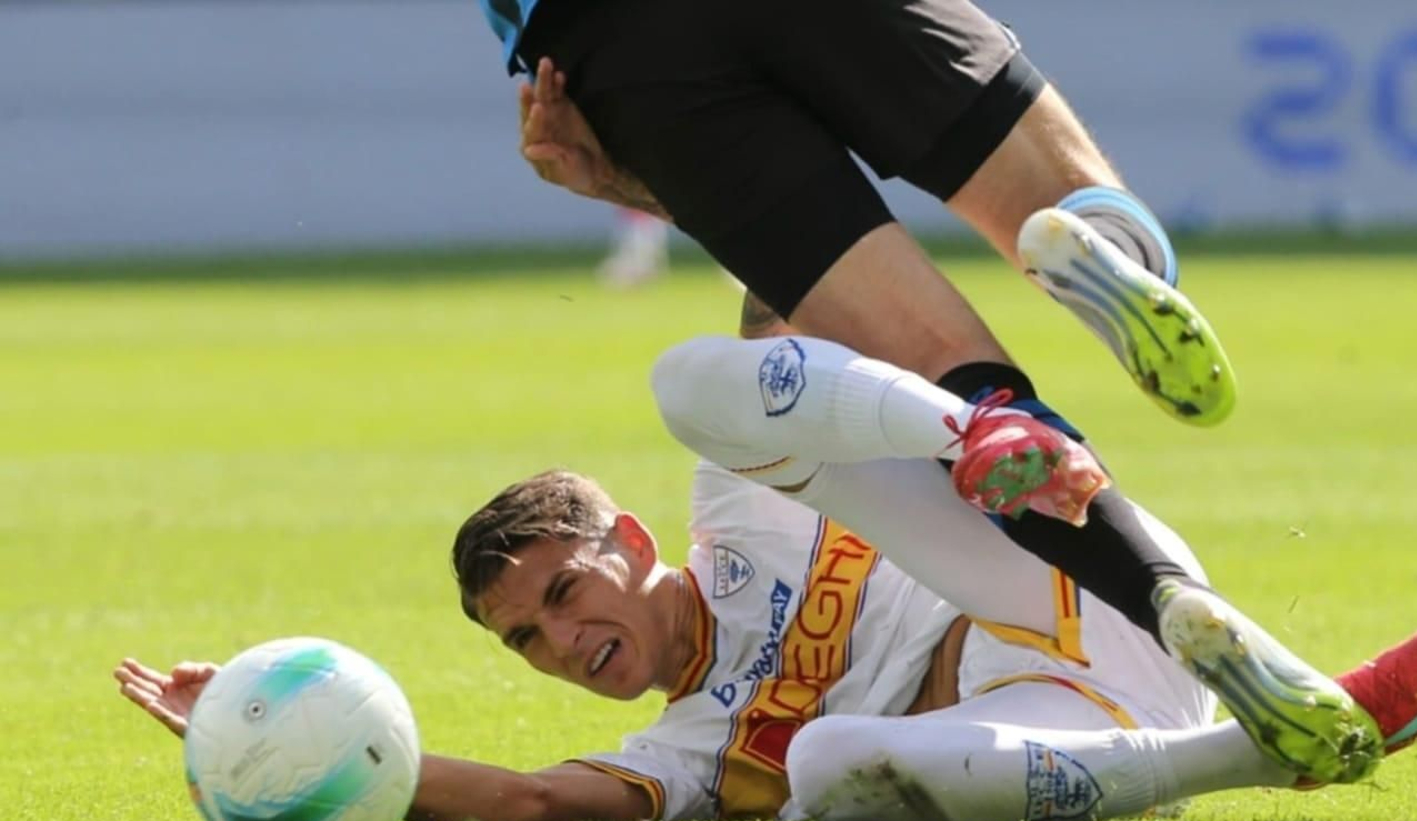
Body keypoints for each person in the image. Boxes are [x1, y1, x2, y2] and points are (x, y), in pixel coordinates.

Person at [115, 344, 1417, 821]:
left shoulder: (732, 504)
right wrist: (272, 736)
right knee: (826, 765)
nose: (556, 641)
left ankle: (984, 433)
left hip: (1054, 579)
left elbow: (783, 284)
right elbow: (526, 797)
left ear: (633, 544)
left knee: (686, 383)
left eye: (562, 591)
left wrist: (653, 143)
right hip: (1067, 735)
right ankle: (1284, 743)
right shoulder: (690, 750)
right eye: (523, 638)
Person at [494, 2, 1250, 695]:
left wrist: (640, 182)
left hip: (608, 41)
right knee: (1066, 196)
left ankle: (1161, 595)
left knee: (962, 394)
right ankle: (1104, 255)